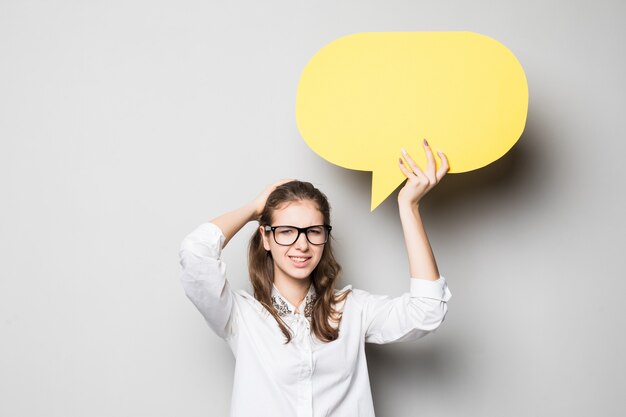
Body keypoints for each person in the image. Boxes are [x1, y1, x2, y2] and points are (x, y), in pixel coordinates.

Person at [179, 139, 452, 417]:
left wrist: (409, 206)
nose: (302, 244)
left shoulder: (351, 309)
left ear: (325, 237)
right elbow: (195, 254)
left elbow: (427, 311)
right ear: (266, 238)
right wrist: (253, 208)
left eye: (313, 231)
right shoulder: (240, 316)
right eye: (287, 231)